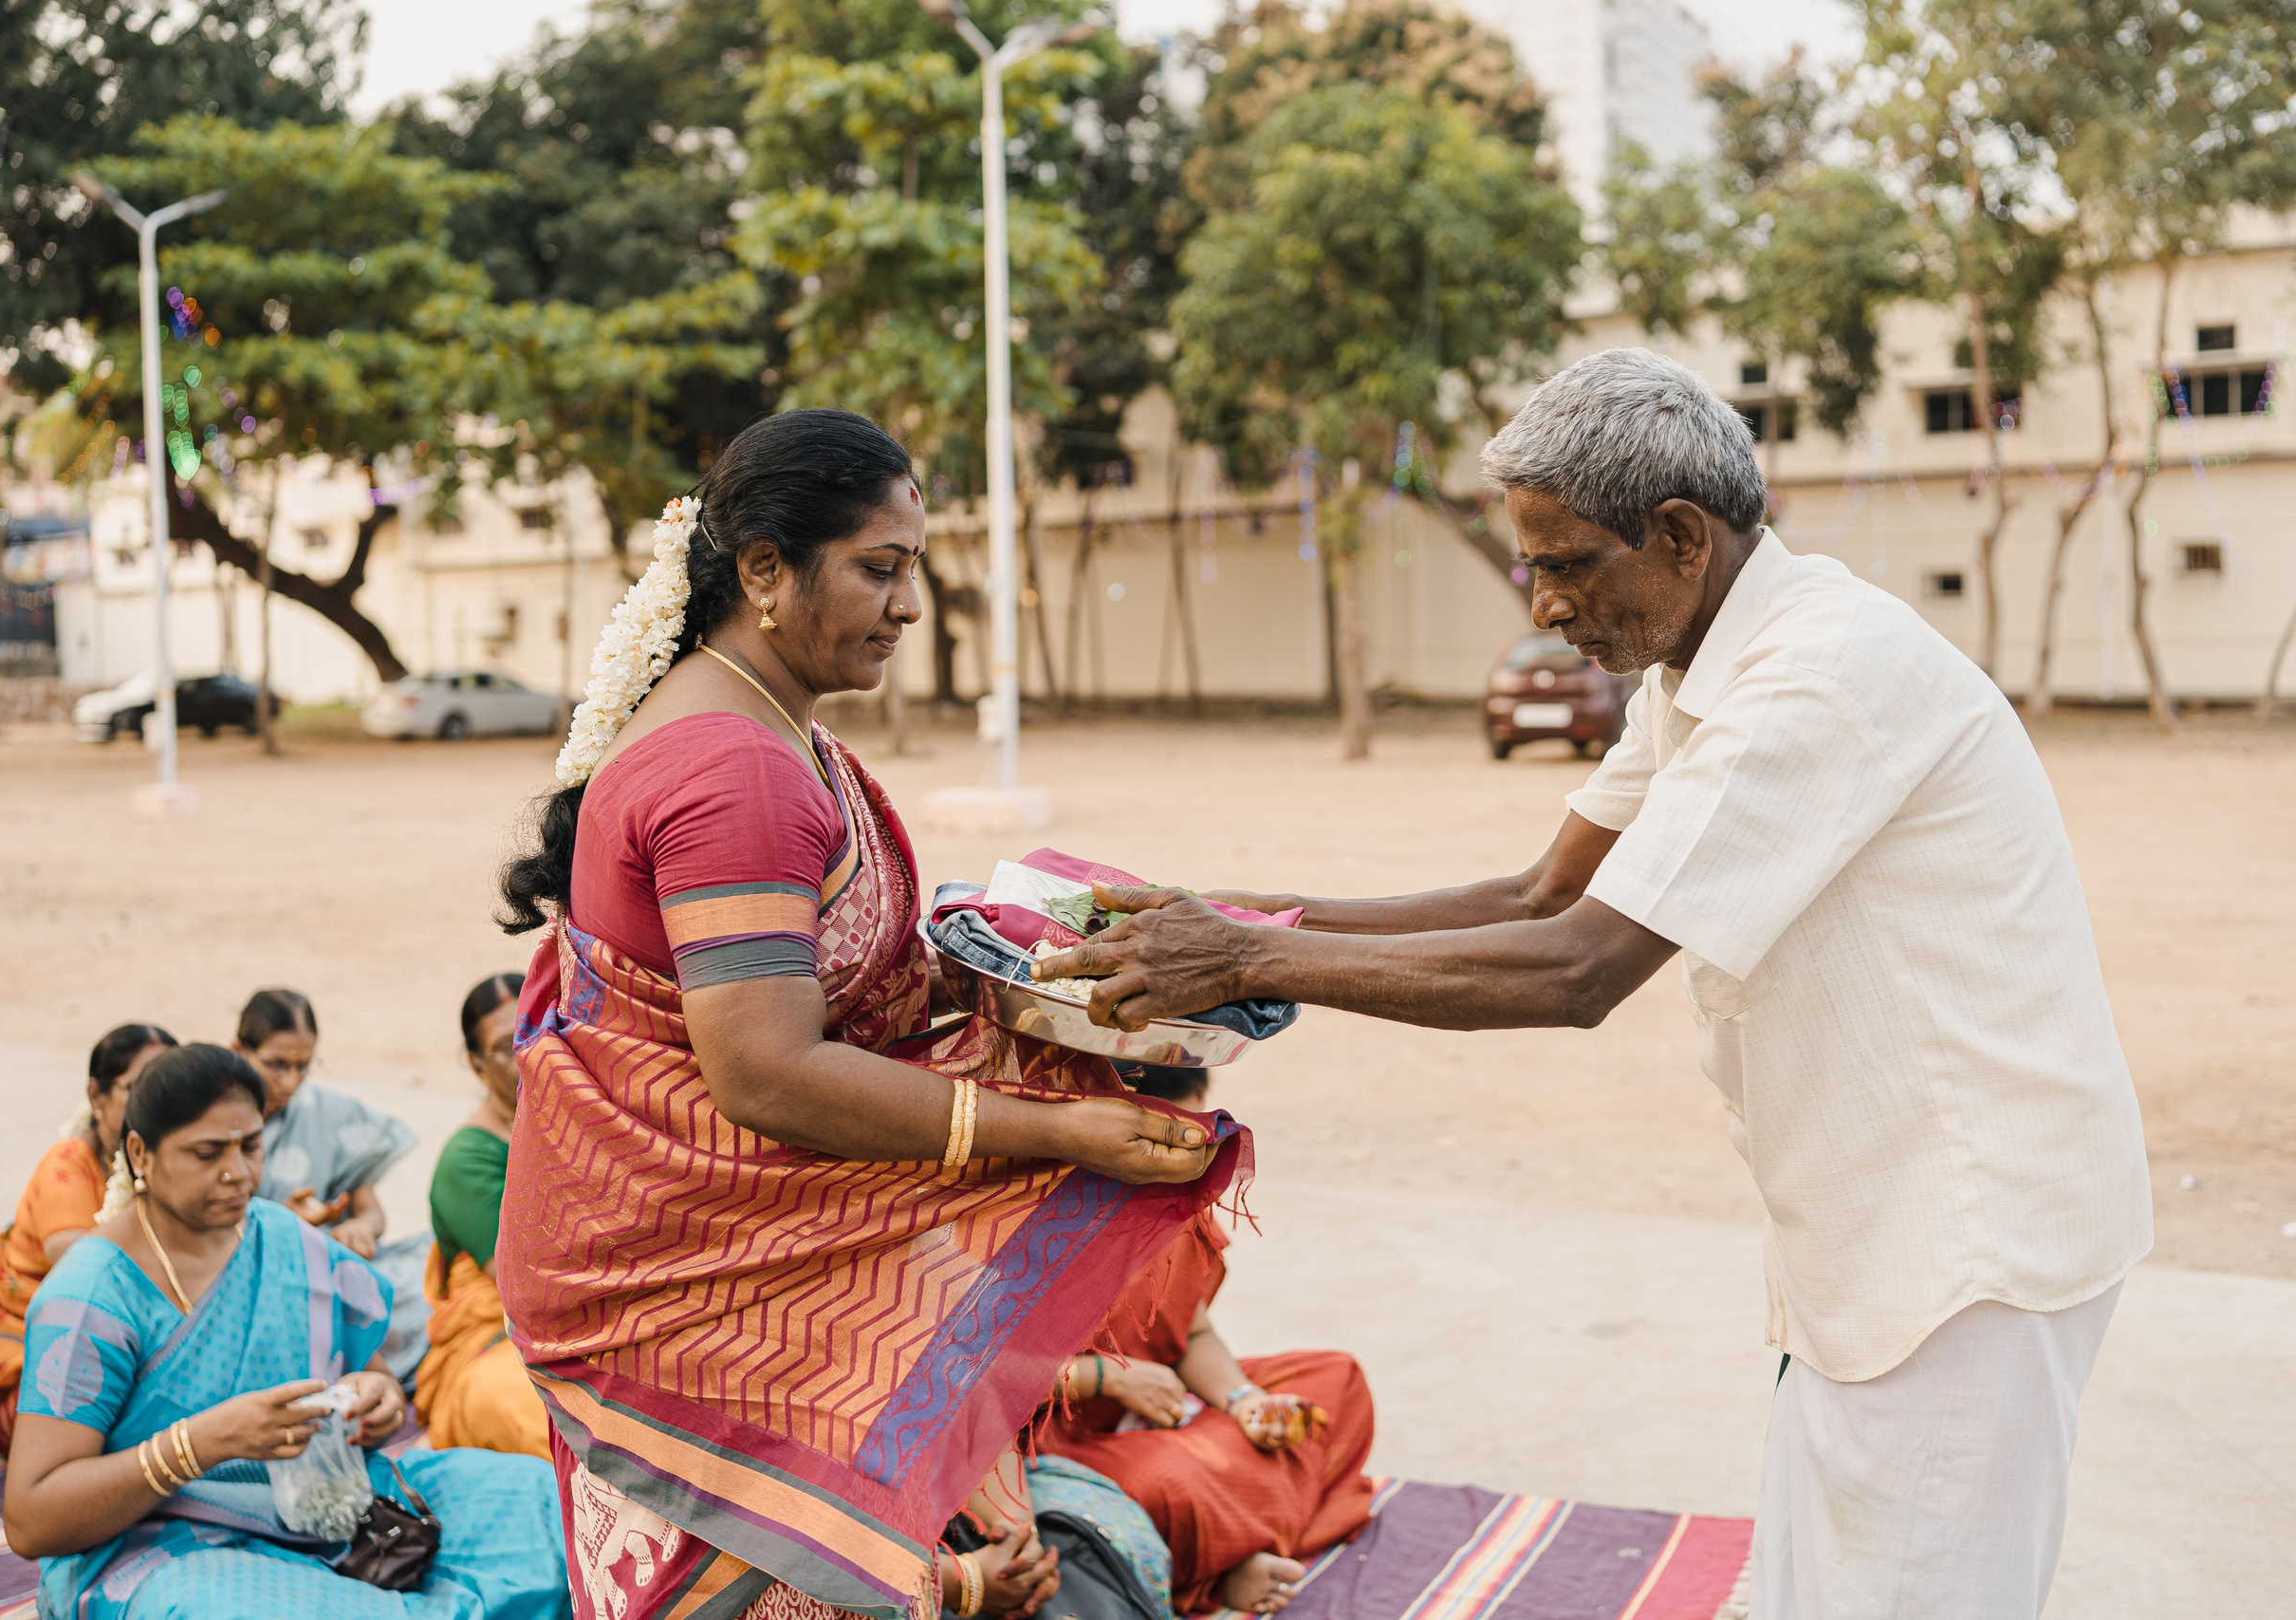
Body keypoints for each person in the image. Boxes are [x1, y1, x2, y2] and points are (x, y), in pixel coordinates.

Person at [1039, 347, 2153, 1620]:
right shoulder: (1697, 666)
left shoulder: (1816, 675)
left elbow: (1579, 965)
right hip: (1875, 1230)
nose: (1546, 605)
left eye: (1566, 563)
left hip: (1968, 1240)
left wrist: (1241, 956)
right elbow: (1538, 894)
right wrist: (1224, 911)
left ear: (1678, 535)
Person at [493, 408, 1246, 1620]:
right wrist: (1058, 1132)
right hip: (688, 1296)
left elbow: (824, 977)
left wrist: (1026, 962)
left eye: (914, 571)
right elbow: (767, 1073)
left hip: (709, 1275)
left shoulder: (763, 724)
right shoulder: (734, 766)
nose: (907, 605)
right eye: (878, 569)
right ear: (762, 572)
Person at [0, 1042, 569, 1620]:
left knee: (552, 1507)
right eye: (206, 1153)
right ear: (141, 1154)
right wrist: (204, 1443)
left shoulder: (283, 1237)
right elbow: (32, 1518)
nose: (238, 1172)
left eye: (250, 1145)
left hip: (336, 1507)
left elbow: (368, 1376)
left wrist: (378, 1399)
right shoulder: (91, 1296)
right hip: (169, 1546)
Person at [1039, 1065, 1373, 1616]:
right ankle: (1221, 1574)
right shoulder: (1025, 1210)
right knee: (1171, 1483)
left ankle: (1234, 1540)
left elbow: (1190, 1331)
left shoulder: (1173, 1203)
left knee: (1335, 1379)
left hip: (1162, 1416)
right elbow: (967, 1377)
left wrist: (1244, 1402)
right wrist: (1103, 1377)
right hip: (1059, 1454)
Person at [0, 1022, 177, 1455]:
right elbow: (84, 1266)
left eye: (166, 1088)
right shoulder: (66, 1166)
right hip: (36, 1381)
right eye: (138, 1088)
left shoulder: (166, 1162)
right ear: (96, 1097)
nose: (156, 1105)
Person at [234, 989, 433, 1381]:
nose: (290, 1081)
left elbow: (370, 1210)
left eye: (302, 1066)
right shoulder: (218, 1116)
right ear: (239, 1050)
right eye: (276, 1064)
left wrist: (359, 1228)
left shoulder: (324, 1112)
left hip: (330, 1260)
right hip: (255, 1273)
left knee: (430, 1281)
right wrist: (279, 1224)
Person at [412, 972, 549, 1458]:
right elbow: (527, 1291)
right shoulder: (468, 1158)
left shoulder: (591, 1117)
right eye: (504, 1044)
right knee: (534, 1411)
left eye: (540, 1025)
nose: (529, 1048)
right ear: (476, 1065)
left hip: (600, 1319)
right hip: (501, 1342)